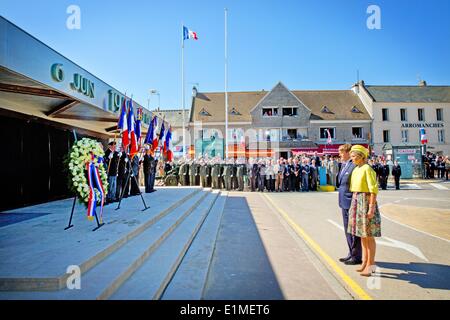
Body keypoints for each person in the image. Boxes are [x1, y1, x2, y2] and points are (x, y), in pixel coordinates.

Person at [348, 145, 381, 277]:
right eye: (351, 156)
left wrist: (371, 207)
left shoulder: (368, 169)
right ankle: (365, 261)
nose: (352, 159)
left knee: (369, 235)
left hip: (366, 201)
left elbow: (373, 189)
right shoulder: (356, 169)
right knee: (362, 235)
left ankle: (371, 265)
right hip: (357, 200)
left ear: (361, 156)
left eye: (354, 156)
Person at [337, 144, 362, 265]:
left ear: (347, 152)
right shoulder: (344, 165)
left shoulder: (353, 166)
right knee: (347, 229)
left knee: (353, 230)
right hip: (343, 201)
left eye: (341, 152)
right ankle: (350, 253)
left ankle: (357, 256)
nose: (340, 155)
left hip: (351, 201)